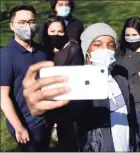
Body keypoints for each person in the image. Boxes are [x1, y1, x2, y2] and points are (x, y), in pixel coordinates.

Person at [22, 23, 140, 152]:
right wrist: (39, 113)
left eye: (111, 45)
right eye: (98, 45)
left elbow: (131, 123)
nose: (105, 50)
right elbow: (64, 116)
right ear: (87, 50)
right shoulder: (76, 85)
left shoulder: (121, 80)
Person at [0, 5, 52, 152]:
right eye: (21, 22)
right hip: (26, 123)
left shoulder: (42, 51)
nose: (27, 26)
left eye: (31, 21)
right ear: (12, 26)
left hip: (45, 119)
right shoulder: (6, 55)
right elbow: (3, 96)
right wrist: (19, 127)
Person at [41, 16, 84, 151]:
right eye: (52, 31)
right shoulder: (43, 51)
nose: (57, 35)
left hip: (66, 106)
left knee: (68, 144)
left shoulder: (72, 50)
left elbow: (76, 79)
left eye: (60, 31)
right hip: (45, 104)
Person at [115, 16, 140, 151]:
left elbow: (139, 90)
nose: (130, 38)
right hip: (118, 107)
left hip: (137, 111)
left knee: (135, 146)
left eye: (134, 35)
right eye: (127, 35)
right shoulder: (120, 52)